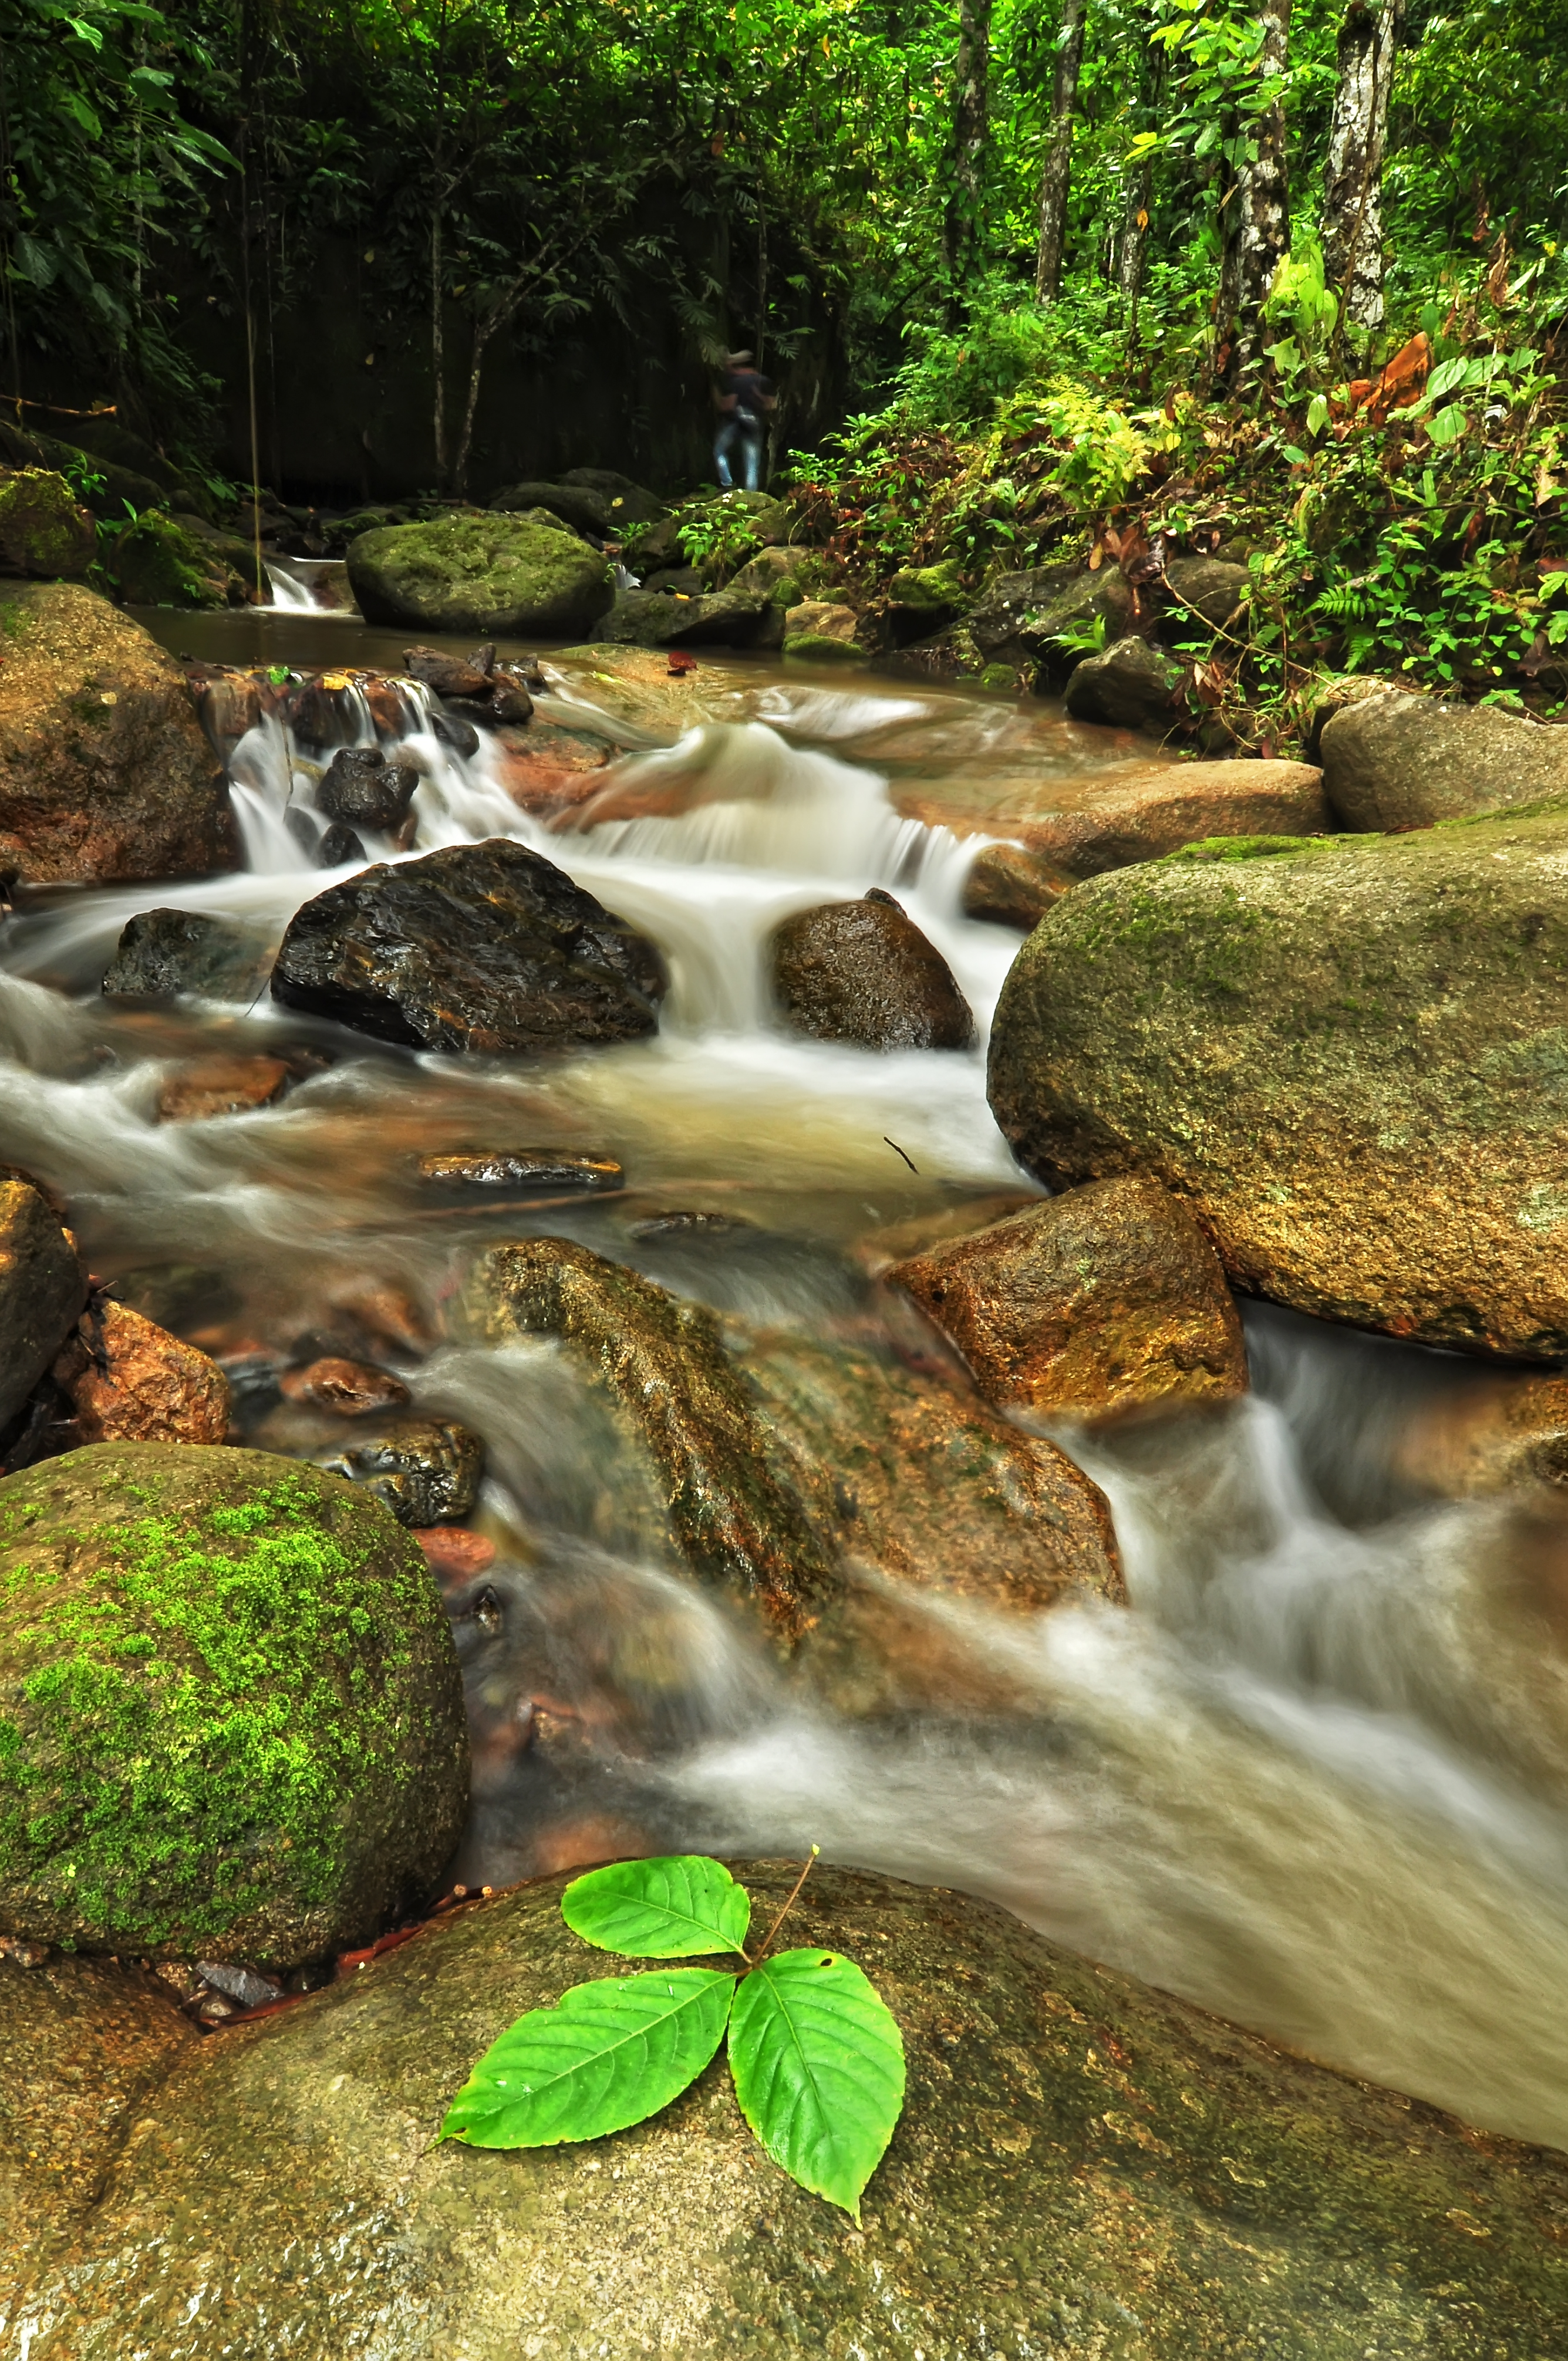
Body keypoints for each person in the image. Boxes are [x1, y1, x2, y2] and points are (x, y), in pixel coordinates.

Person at [713, 349, 774, 493]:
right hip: (755, 423)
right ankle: (750, 498)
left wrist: (715, 394)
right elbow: (771, 405)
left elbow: (727, 406)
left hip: (738, 421)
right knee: (752, 464)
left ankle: (727, 484)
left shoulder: (738, 382)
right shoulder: (763, 381)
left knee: (719, 450)